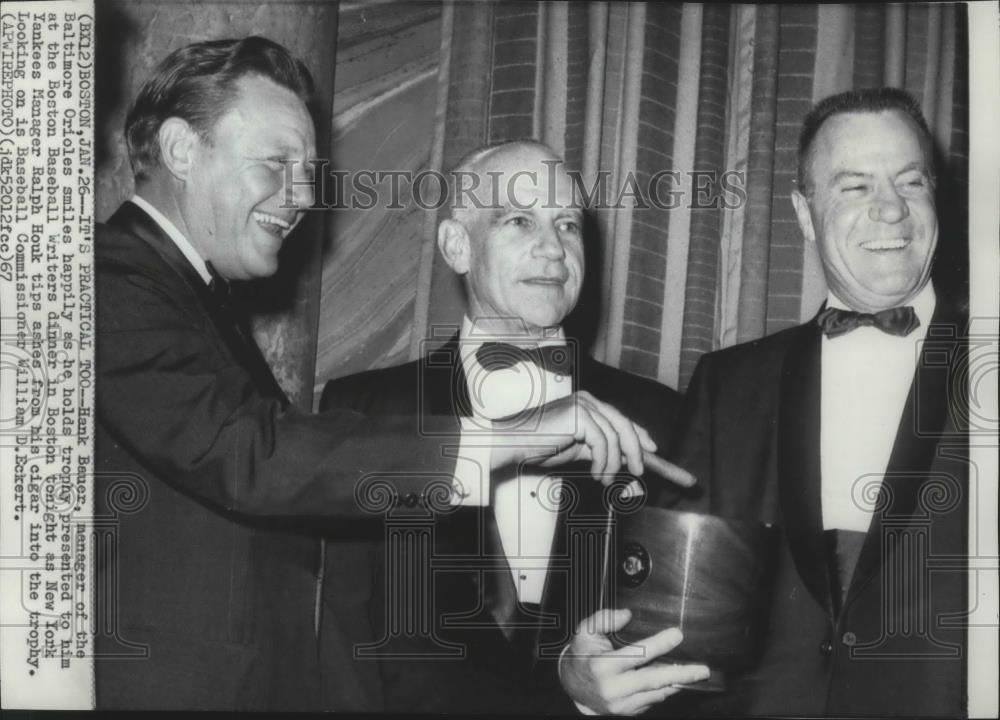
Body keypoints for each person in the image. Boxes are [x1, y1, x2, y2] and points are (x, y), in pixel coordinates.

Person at [95, 38, 664, 711]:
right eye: (277, 162)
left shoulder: (191, 299)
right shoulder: (109, 274)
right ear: (183, 151)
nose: (305, 194)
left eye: (568, 223)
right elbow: (249, 452)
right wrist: (503, 439)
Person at [561, 87, 969, 716]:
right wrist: (586, 675)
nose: (890, 210)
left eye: (910, 182)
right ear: (805, 216)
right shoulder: (730, 384)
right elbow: (659, 610)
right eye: (855, 187)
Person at [319, 140, 708, 713]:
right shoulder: (365, 408)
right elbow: (338, 641)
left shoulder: (661, 417)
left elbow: (688, 645)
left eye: (569, 225)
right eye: (520, 220)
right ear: (457, 245)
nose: (553, 250)